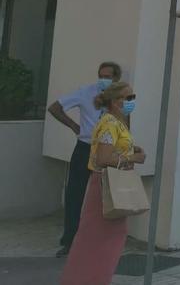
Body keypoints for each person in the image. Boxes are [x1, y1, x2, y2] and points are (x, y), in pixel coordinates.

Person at [60, 81, 146, 285]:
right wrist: (132, 159)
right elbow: (103, 158)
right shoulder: (110, 123)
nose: (132, 102)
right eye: (129, 98)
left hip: (110, 183)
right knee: (100, 239)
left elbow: (111, 148)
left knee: (104, 238)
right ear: (116, 102)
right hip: (106, 185)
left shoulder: (116, 122)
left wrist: (131, 150)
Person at [47, 61, 122, 258]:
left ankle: (99, 242)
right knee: (75, 195)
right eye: (101, 75)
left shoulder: (120, 97)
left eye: (108, 76)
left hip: (108, 150)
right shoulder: (86, 92)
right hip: (85, 148)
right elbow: (54, 108)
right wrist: (73, 125)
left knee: (104, 198)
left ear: (116, 78)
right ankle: (70, 241)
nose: (103, 80)